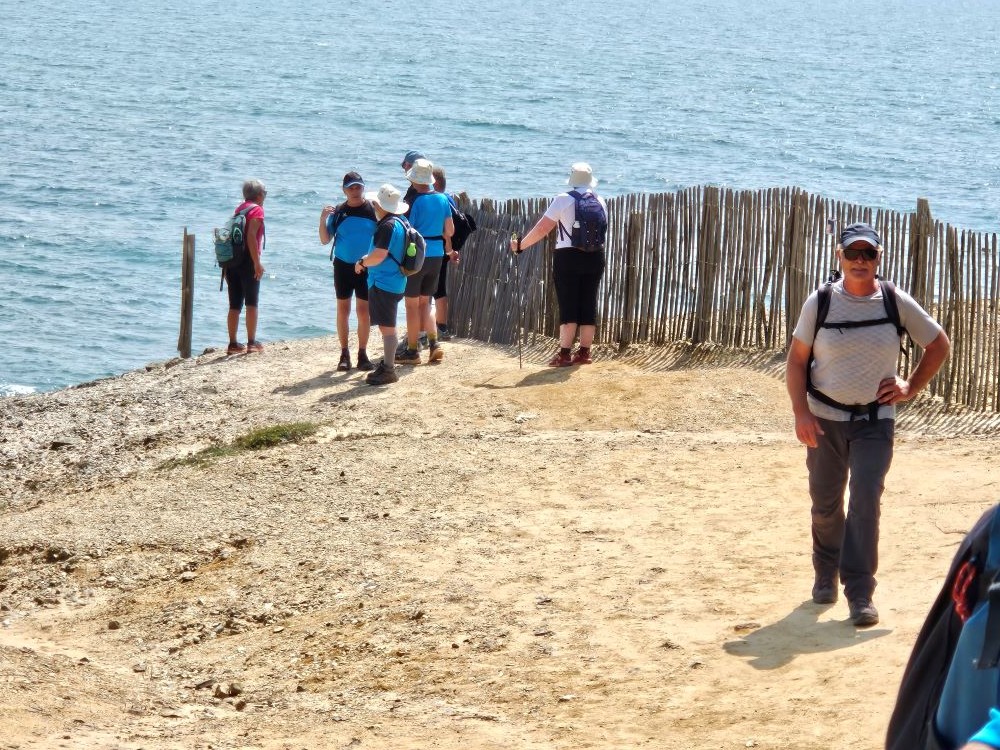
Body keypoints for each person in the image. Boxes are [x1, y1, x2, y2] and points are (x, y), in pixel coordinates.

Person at [785, 222, 950, 627]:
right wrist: (801, 412)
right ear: (839, 256)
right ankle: (826, 572)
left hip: (876, 421)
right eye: (852, 253)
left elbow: (938, 344)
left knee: (865, 500)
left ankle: (860, 592)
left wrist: (910, 386)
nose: (860, 261)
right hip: (824, 419)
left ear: (879, 258)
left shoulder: (894, 301)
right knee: (826, 503)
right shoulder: (821, 301)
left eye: (868, 253)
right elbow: (797, 360)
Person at [509, 162, 608, 366]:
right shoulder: (600, 200)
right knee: (589, 302)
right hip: (596, 256)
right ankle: (584, 353)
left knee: (568, 303)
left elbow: (542, 228)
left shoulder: (563, 199)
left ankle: (564, 354)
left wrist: (520, 245)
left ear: (572, 180)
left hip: (568, 256)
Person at [396, 158, 454, 365]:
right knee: (426, 302)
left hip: (418, 255)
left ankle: (412, 350)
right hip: (437, 254)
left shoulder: (415, 201)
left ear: (413, 180)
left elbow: (408, 231)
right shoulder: (443, 199)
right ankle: (434, 343)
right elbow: (450, 231)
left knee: (412, 305)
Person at [319, 171, 377, 372]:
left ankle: (362, 353)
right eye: (350, 187)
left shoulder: (373, 210)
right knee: (343, 309)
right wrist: (322, 219)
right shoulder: (338, 212)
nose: (355, 190)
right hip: (343, 266)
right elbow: (325, 240)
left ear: (363, 187)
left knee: (363, 311)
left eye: (358, 186)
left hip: (366, 266)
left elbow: (382, 238)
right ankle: (344, 354)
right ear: (344, 190)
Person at [353, 183, 410, 386]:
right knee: (388, 326)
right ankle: (387, 365)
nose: (374, 206)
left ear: (380, 205)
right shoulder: (400, 221)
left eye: (375, 203)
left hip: (384, 281)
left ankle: (388, 369)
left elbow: (379, 255)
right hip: (395, 280)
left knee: (387, 328)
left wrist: (362, 262)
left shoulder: (387, 225)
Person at [225, 179, 267, 355]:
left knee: (234, 305)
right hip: (248, 261)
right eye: (265, 193)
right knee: (252, 303)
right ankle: (251, 343)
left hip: (232, 261)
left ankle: (233, 344)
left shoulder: (239, 209)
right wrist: (257, 263)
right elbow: (251, 236)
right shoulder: (257, 210)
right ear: (259, 195)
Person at [431, 166, 461, 340]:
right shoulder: (448, 199)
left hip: (437, 248)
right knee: (440, 288)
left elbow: (446, 230)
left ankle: (435, 328)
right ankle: (441, 328)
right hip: (443, 249)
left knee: (431, 290)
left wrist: (449, 249)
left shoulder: (437, 200)